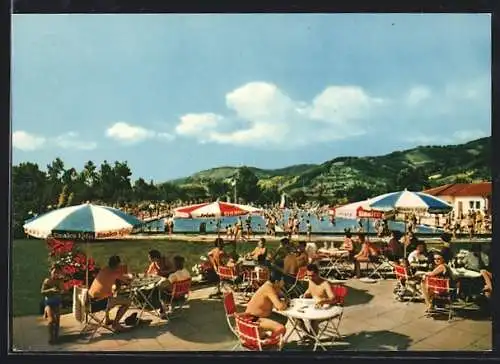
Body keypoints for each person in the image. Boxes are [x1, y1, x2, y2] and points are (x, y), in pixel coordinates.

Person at [88, 255, 132, 332]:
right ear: (118, 264)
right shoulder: (115, 272)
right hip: (99, 303)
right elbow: (128, 281)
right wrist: (130, 275)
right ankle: (115, 324)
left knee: (109, 294)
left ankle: (107, 320)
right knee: (128, 301)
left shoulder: (104, 269)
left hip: (90, 301)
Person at [244, 270, 288, 339]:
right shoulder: (268, 288)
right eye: (283, 281)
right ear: (276, 282)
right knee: (281, 329)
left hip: (260, 316)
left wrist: (281, 293)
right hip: (254, 319)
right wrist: (285, 303)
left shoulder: (272, 285)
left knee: (283, 318)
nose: (284, 283)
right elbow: (280, 306)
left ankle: (269, 338)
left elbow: (283, 295)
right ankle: (270, 343)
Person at [301, 263, 336, 336]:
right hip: (314, 305)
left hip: (325, 308)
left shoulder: (325, 284)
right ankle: (308, 335)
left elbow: (333, 298)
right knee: (296, 318)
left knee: (313, 319)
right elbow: (310, 290)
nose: (310, 278)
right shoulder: (311, 280)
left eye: (313, 276)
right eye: (308, 276)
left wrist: (323, 301)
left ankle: (312, 339)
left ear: (318, 274)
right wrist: (305, 294)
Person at [41, 265, 64, 344]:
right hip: (49, 303)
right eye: (54, 272)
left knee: (57, 320)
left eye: (58, 272)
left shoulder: (60, 280)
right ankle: (51, 338)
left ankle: (56, 337)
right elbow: (42, 292)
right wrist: (51, 290)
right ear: (51, 272)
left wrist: (61, 290)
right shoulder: (47, 281)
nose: (56, 274)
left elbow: (62, 290)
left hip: (57, 302)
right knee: (51, 321)